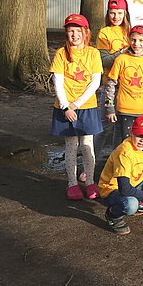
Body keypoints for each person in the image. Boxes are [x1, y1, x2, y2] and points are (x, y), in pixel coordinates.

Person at [50, 14, 103, 201]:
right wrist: (66, 107)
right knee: (71, 145)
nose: (74, 35)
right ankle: (72, 183)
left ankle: (89, 182)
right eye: (70, 31)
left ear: (85, 32)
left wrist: (76, 104)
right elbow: (58, 83)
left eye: (78, 31)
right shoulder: (61, 54)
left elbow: (95, 82)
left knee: (87, 145)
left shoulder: (93, 53)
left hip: (86, 106)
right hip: (65, 108)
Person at [105, 25, 143, 140]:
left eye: (141, 40)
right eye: (133, 40)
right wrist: (109, 107)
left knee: (142, 144)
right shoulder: (121, 59)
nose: (136, 43)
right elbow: (111, 85)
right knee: (126, 143)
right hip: (125, 110)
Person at [95, 0, 130, 153]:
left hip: (129, 86)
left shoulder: (131, 32)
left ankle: (115, 164)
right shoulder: (105, 33)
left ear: (125, 13)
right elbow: (104, 60)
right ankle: (90, 163)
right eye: (112, 13)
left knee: (120, 127)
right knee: (104, 126)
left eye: (120, 13)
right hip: (111, 85)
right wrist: (122, 53)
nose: (116, 17)